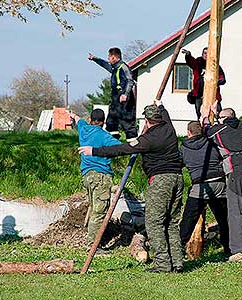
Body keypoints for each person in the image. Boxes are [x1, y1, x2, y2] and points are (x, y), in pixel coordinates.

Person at [78, 100, 184, 273]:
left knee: (154, 223)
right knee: (171, 222)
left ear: (147, 121)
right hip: (178, 178)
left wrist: (94, 151)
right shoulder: (169, 129)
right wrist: (161, 105)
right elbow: (166, 115)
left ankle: (163, 264)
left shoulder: (147, 140)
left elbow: (123, 149)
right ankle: (178, 262)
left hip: (161, 181)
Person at [201, 107, 242, 263]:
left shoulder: (220, 128)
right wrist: (218, 115)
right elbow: (228, 123)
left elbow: (207, 131)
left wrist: (207, 117)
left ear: (223, 119)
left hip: (236, 171)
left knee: (235, 213)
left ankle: (240, 251)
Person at [179, 121, 230, 255]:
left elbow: (179, 163)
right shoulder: (211, 143)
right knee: (224, 219)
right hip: (219, 183)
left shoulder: (184, 148)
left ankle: (178, 249)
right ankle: (229, 248)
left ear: (188, 132)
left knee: (188, 220)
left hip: (199, 185)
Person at [73, 109, 121, 248]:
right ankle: (93, 246)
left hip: (87, 176)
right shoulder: (104, 136)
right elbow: (122, 147)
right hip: (100, 177)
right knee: (99, 213)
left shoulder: (83, 129)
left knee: (94, 208)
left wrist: (74, 115)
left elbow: (78, 120)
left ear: (90, 119)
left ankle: (91, 238)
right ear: (103, 121)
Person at [88, 48, 137, 139]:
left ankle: (133, 149)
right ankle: (113, 144)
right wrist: (94, 58)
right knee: (111, 123)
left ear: (114, 57)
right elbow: (105, 65)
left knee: (127, 124)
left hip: (124, 101)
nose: (108, 59)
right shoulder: (115, 68)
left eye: (109, 57)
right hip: (115, 100)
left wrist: (125, 94)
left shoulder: (123, 67)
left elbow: (130, 81)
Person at [182, 47, 226, 119]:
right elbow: (191, 62)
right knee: (200, 114)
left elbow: (222, 79)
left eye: (208, 53)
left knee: (218, 113)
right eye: (205, 53)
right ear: (202, 54)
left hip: (213, 95)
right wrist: (188, 55)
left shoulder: (215, 66)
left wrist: (216, 82)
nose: (206, 55)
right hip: (199, 95)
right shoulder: (198, 63)